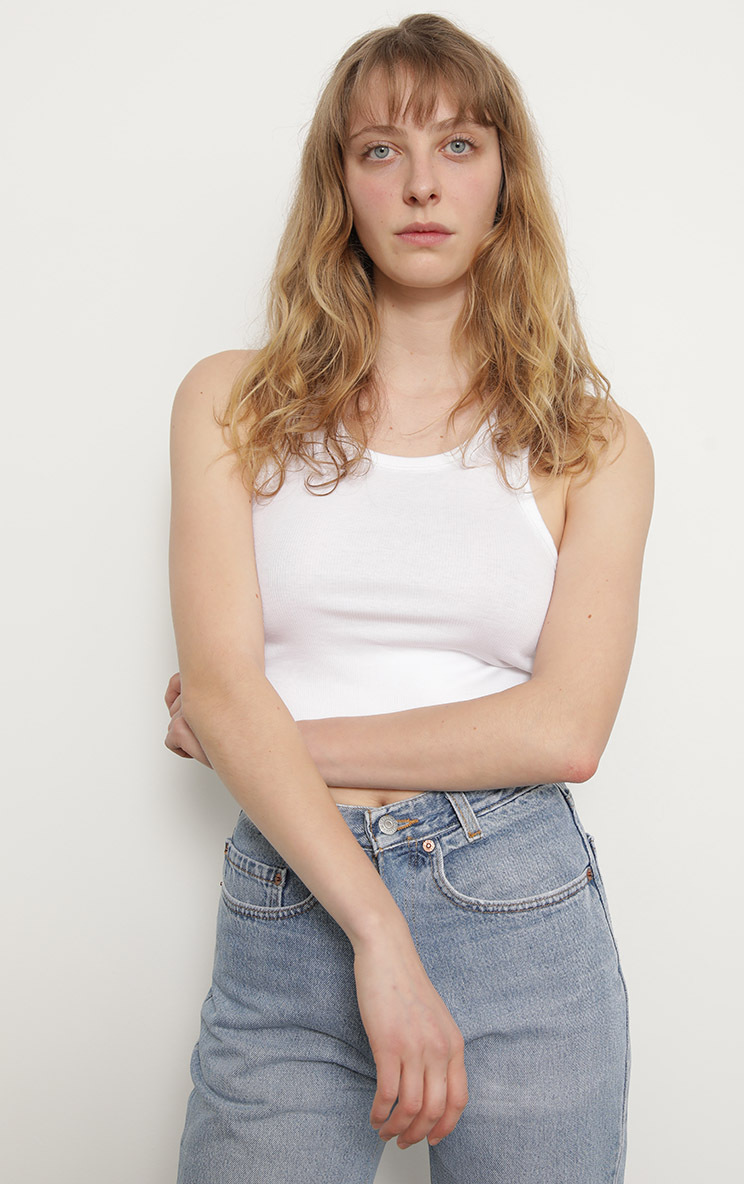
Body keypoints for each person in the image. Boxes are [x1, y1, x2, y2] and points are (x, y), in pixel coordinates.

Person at [165, 12, 653, 1183]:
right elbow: (221, 682)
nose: (421, 183)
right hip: (290, 901)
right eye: (380, 148)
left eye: (459, 145)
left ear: (503, 184)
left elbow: (563, 731)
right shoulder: (230, 402)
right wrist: (378, 932)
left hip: (516, 908)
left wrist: (254, 734)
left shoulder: (591, 443)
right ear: (339, 186)